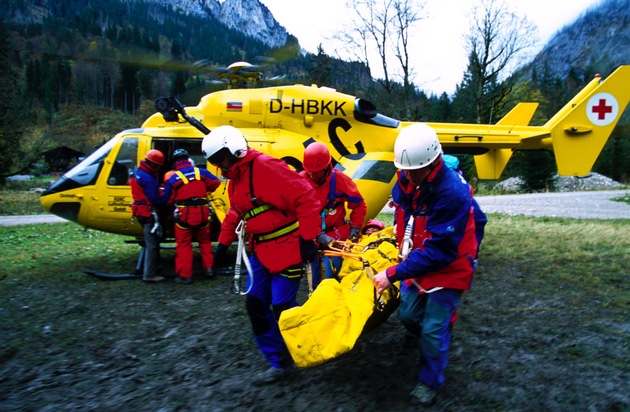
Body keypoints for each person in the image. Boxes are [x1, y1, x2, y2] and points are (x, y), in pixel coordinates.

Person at [202, 125, 328, 385]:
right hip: (260, 250)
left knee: (283, 308)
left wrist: (307, 238)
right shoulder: (237, 178)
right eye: (214, 161)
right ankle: (279, 362)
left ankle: (303, 347)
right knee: (256, 305)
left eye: (221, 159)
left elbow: (306, 197)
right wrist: (222, 245)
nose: (219, 166)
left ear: (234, 150)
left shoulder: (266, 168)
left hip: (289, 247)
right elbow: (238, 211)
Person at [372, 123, 487, 406]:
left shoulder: (452, 192)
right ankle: (435, 330)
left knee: (433, 330)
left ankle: (430, 382)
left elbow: (440, 252)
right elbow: (405, 205)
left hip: (450, 264)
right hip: (419, 258)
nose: (408, 177)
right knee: (409, 317)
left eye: (413, 171)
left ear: (433, 162)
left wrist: (392, 273)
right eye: (404, 171)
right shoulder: (406, 176)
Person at [299, 142, 367, 288]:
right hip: (311, 238)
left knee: (330, 277)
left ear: (325, 167)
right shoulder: (300, 181)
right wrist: (317, 235)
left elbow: (359, 205)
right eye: (309, 171)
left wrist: (355, 229)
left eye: (315, 171)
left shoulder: (340, 181)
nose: (312, 174)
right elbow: (294, 214)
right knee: (314, 279)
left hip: (336, 238)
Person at [161, 148, 221, 284]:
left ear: (175, 163)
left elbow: (167, 200)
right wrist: (204, 189)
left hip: (184, 215)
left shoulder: (174, 178)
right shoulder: (202, 172)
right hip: (202, 213)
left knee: (183, 244)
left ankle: (185, 275)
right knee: (205, 242)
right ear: (188, 160)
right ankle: (209, 269)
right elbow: (216, 182)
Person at [129, 149, 166, 283]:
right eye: (158, 166)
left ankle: (155, 267)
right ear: (154, 165)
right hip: (148, 213)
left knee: (150, 241)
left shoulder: (136, 173)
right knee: (153, 244)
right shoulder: (148, 178)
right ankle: (149, 274)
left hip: (139, 211)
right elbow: (155, 199)